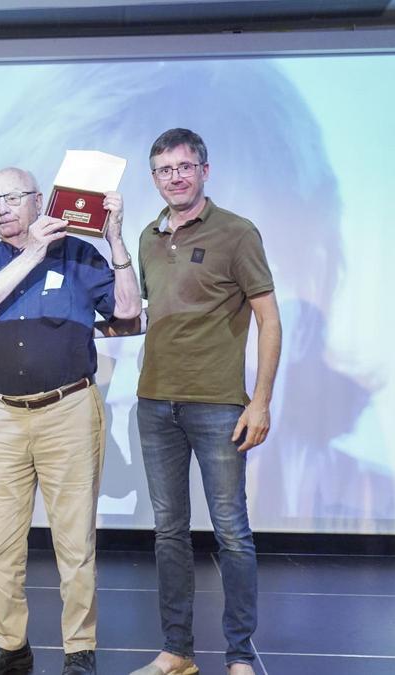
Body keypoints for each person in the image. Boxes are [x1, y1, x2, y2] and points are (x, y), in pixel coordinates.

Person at [0, 168, 141, 675]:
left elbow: (126, 310)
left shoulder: (79, 254)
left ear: (41, 202)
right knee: (0, 539)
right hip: (1, 415)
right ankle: (9, 640)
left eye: (13, 198)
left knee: (74, 540)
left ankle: (79, 649)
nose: (2, 209)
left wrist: (115, 239)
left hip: (68, 411)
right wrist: (32, 254)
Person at [128, 129, 282, 675]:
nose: (175, 176)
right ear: (154, 177)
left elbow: (268, 319)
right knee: (169, 531)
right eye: (165, 169)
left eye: (185, 166)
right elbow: (153, 312)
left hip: (219, 405)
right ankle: (178, 652)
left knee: (231, 531)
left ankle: (240, 656)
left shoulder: (237, 233)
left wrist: (259, 402)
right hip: (155, 405)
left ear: (204, 171)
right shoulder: (148, 235)